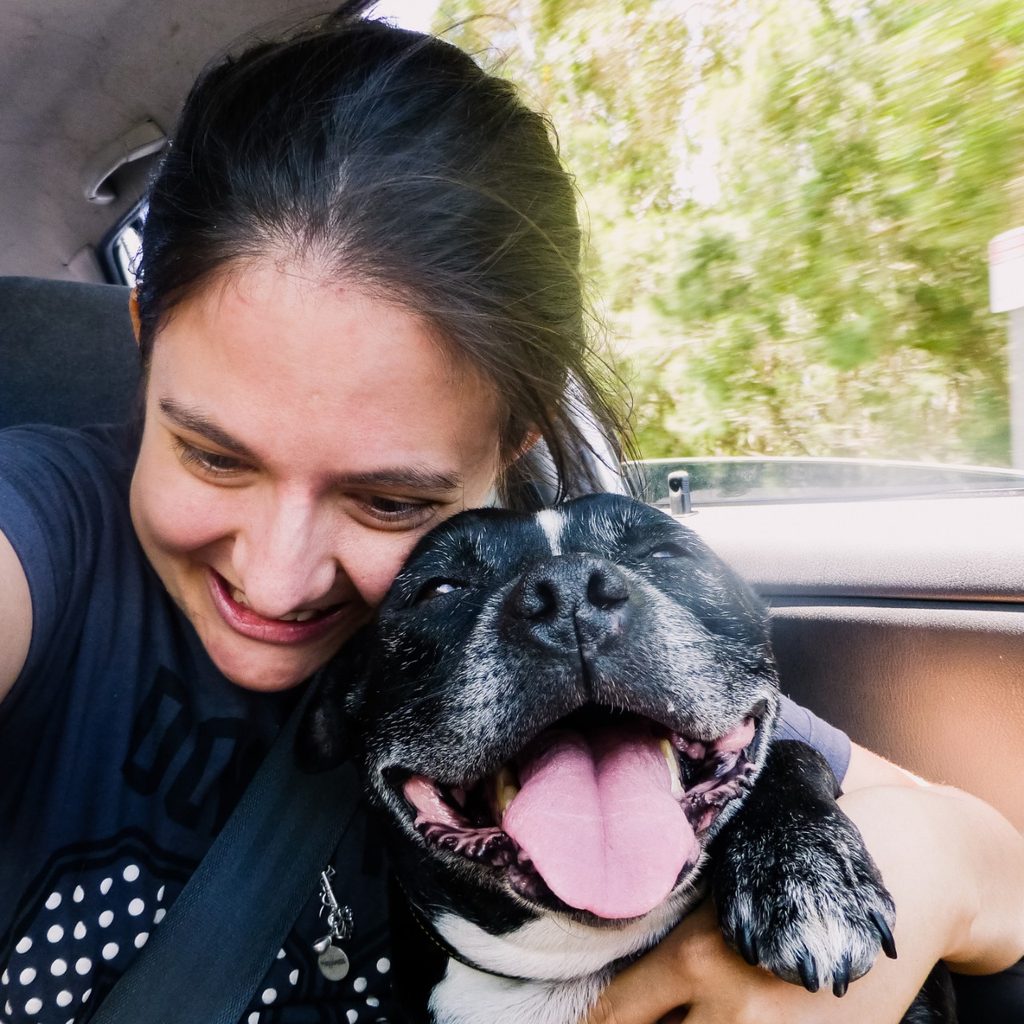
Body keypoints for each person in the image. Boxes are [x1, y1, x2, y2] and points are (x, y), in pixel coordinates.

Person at [0, 4, 1021, 1023]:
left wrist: (914, 882)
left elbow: (988, 865)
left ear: (519, 432)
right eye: (213, 455)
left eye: (390, 498)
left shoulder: (555, 622)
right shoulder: (50, 539)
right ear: (142, 336)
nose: (275, 572)